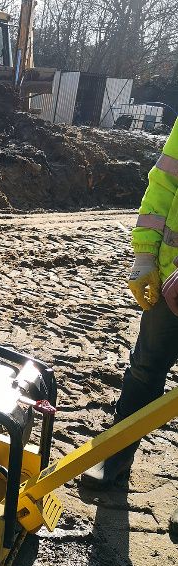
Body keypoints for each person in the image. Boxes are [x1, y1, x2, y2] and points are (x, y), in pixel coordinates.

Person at [81, 118, 178, 538]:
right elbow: (163, 184)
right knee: (144, 370)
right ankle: (116, 458)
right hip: (171, 280)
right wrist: (144, 255)